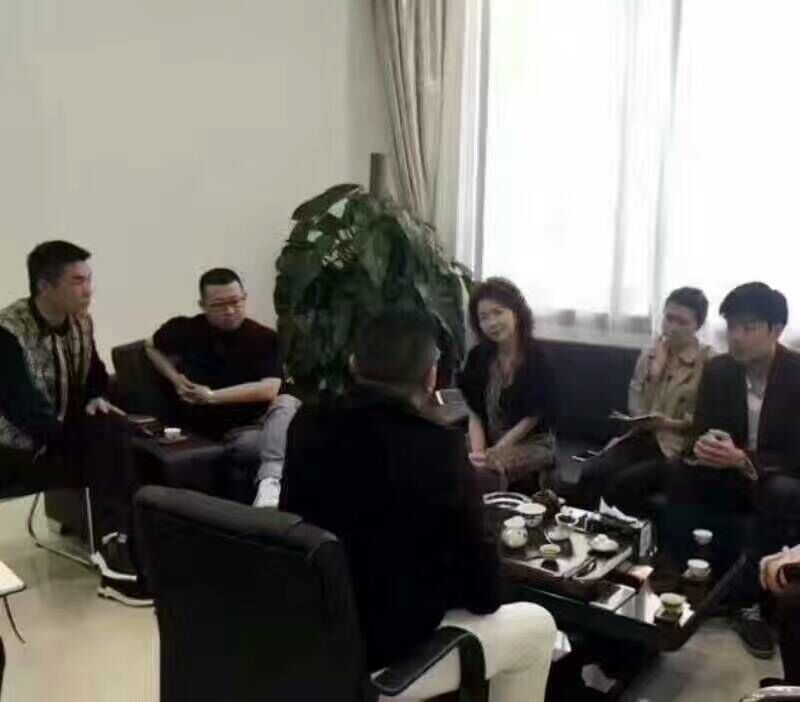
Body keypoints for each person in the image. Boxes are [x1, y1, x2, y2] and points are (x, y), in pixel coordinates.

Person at [280, 310, 557, 700]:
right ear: (431, 376)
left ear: (354, 363)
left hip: (310, 635)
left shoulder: (307, 423)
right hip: (385, 663)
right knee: (538, 626)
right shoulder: (437, 447)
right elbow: (486, 594)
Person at [0, 241, 150, 605]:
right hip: (13, 452)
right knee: (109, 441)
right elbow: (25, 412)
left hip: (60, 442)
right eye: (77, 281)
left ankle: (119, 544)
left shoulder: (80, 321)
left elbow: (94, 373)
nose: (88, 290)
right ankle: (116, 550)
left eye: (89, 279)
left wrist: (97, 396)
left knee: (116, 428)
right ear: (45, 286)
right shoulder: (8, 332)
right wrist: (85, 438)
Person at [668, 282, 800, 659]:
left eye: (749, 327)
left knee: (782, 492)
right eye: (731, 327)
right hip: (726, 470)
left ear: (776, 330)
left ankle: (749, 605)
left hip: (776, 476)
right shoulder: (719, 370)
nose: (736, 337)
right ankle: (687, 579)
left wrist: (744, 460)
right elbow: (700, 431)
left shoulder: (796, 374)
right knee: (678, 471)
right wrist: (705, 446)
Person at [145, 268, 299, 506]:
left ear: (244, 297)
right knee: (283, 442)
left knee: (287, 402)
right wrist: (175, 378)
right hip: (233, 433)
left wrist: (211, 396)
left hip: (267, 420)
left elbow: (269, 389)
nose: (230, 311)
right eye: (219, 305)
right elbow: (150, 346)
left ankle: (269, 483)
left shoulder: (264, 337)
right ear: (203, 305)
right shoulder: (186, 330)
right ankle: (271, 482)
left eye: (236, 301)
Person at [576, 287, 713, 510]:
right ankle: (579, 527)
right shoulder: (650, 353)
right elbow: (635, 403)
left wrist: (665, 423)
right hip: (642, 437)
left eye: (682, 322)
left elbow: (701, 422)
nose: (673, 327)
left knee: (623, 484)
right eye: (669, 318)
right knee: (591, 471)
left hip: (677, 449)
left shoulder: (708, 363)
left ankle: (618, 531)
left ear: (698, 326)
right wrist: (655, 373)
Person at [458, 278, 557, 494]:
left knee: (488, 472)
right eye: (484, 317)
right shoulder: (477, 357)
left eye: (498, 312)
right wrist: (478, 452)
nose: (492, 323)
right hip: (488, 438)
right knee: (450, 458)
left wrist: (495, 452)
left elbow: (532, 417)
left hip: (531, 442)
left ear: (516, 313)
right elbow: (474, 412)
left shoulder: (538, 358)